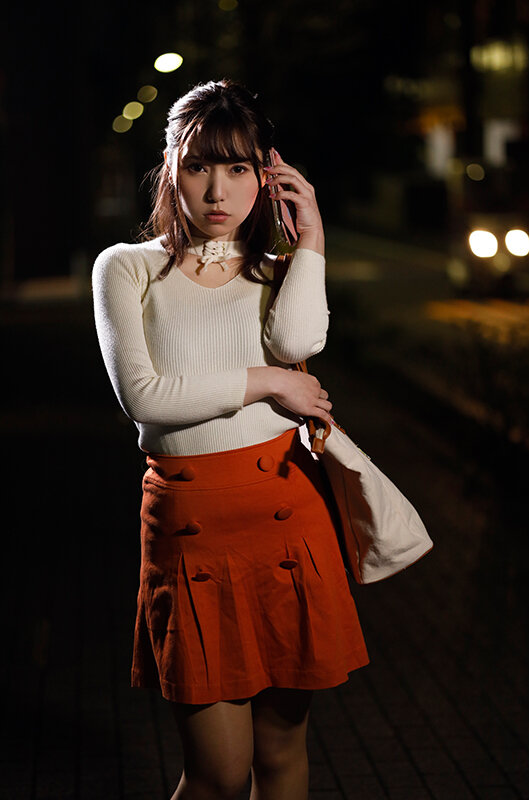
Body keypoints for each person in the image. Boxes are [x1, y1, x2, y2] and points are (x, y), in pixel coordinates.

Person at [92, 78, 369, 800]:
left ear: (265, 175)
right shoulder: (127, 267)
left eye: (239, 167)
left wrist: (311, 238)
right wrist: (268, 383)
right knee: (216, 775)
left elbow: (300, 341)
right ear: (171, 168)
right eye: (198, 166)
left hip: (285, 520)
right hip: (194, 531)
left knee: (281, 758)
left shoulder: (276, 272)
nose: (218, 190)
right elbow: (144, 399)